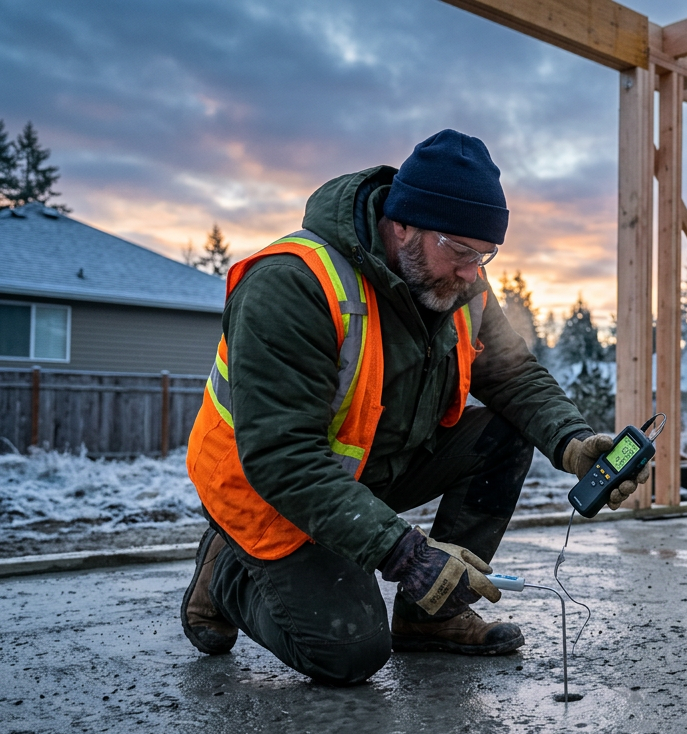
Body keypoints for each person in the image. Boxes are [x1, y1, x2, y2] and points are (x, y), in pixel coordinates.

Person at [179, 130, 650, 685]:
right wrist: (405, 553)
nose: (474, 271)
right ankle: (229, 570)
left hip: (364, 473)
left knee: (503, 434)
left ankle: (430, 617)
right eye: (460, 250)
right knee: (348, 652)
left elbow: (513, 376)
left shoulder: (457, 282)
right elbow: (282, 457)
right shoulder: (291, 285)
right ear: (403, 223)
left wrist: (572, 442)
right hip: (265, 489)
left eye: (485, 254)